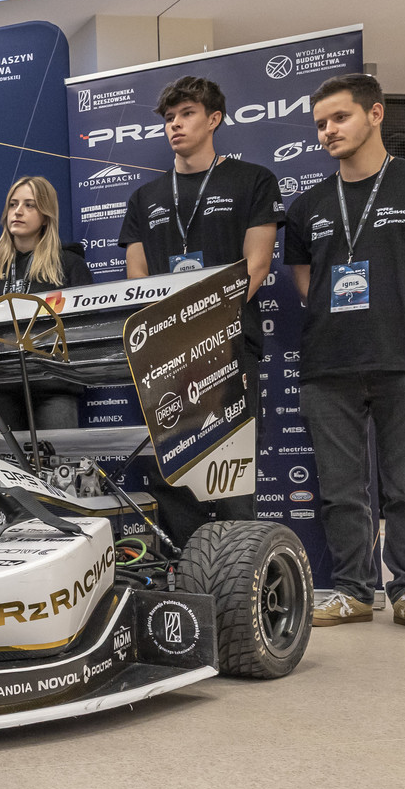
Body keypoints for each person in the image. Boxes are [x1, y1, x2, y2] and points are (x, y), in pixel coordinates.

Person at [284, 73, 405, 634]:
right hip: (329, 362)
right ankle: (352, 590)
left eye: (339, 117)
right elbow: (307, 284)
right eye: (320, 123)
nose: (328, 131)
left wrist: (398, 309)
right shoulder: (308, 204)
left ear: (375, 114)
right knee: (342, 491)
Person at [119, 75, 284, 530]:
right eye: (169, 117)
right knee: (173, 478)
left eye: (187, 114)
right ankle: (186, 566)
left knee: (233, 478)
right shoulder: (145, 197)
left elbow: (257, 265)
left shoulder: (253, 180)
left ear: (214, 119)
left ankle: (237, 566)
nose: (175, 124)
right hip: (164, 356)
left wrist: (202, 324)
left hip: (229, 346)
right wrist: (172, 331)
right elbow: (136, 279)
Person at [0, 176, 94, 431]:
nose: (18, 212)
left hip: (54, 385)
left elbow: (87, 329)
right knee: (3, 456)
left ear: (46, 215)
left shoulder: (70, 265)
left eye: (29, 205)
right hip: (1, 386)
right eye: (13, 204)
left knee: (59, 456)